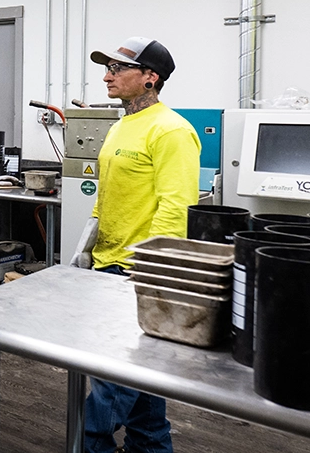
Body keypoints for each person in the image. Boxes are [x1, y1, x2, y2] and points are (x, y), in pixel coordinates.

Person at [77, 36, 200, 453]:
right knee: (146, 407)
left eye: (118, 68)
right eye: (107, 67)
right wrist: (86, 247)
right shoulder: (120, 126)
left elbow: (176, 208)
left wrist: (147, 273)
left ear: (151, 77)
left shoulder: (172, 131)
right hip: (107, 267)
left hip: (137, 276)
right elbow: (106, 196)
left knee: (99, 414)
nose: (107, 75)